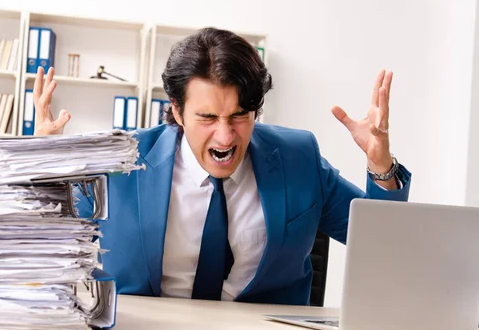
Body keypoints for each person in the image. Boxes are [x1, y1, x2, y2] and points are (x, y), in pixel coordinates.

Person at [32, 27, 411, 305]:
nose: (225, 136)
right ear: (178, 111)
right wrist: (41, 165)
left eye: (239, 115)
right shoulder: (119, 161)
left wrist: (380, 165)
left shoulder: (298, 158)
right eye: (208, 117)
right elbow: (40, 237)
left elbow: (384, 248)